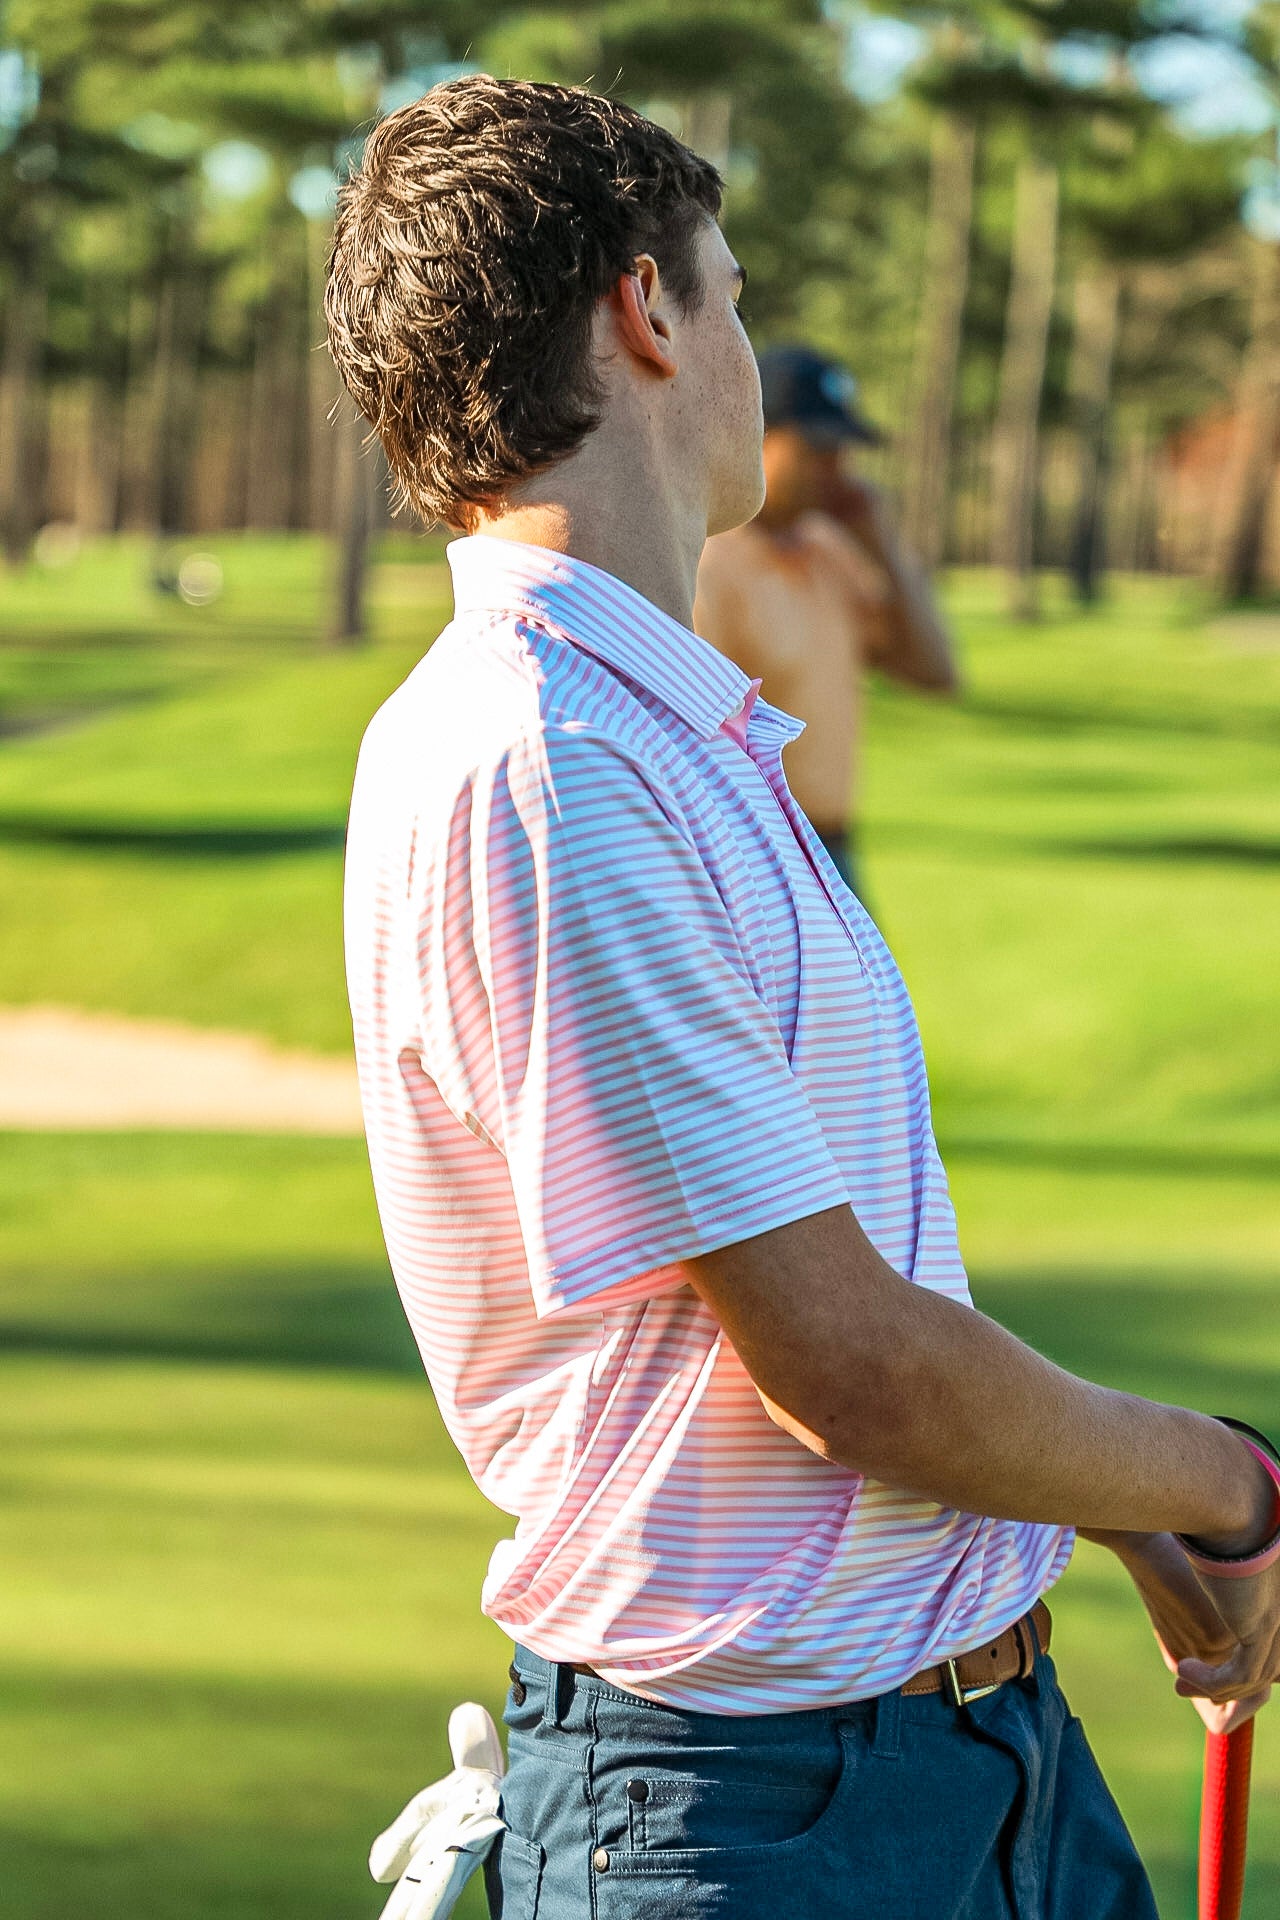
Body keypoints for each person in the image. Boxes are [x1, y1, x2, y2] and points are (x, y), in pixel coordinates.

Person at [325, 76, 1280, 1920]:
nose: (750, 339)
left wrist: (1104, 1502)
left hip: (976, 1767)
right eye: (736, 290)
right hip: (761, 1820)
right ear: (647, 309)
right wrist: (1219, 1480)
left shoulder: (646, 730)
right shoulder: (551, 760)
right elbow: (843, 1362)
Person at [695, 344, 957, 904]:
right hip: (756, 859)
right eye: (817, 448)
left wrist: (881, 540)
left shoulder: (829, 552)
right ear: (755, 433)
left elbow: (935, 673)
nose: (837, 470)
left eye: (843, 450)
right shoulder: (707, 564)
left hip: (831, 852)